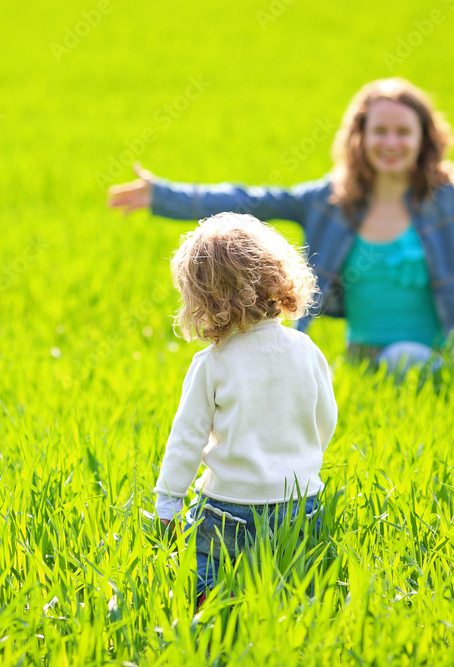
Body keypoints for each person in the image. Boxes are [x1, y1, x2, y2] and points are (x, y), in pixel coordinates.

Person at [108, 78, 454, 375]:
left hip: (436, 358)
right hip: (361, 357)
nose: (390, 142)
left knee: (408, 360)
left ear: (424, 139)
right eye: (379, 131)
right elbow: (246, 198)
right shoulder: (328, 202)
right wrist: (162, 196)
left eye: (403, 132)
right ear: (360, 138)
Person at [154, 212, 338, 605]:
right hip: (299, 503)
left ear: (202, 298)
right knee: (294, 585)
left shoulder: (213, 362)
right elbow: (325, 419)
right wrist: (301, 460)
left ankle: (210, 622)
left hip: (228, 507)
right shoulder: (306, 350)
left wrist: (168, 500)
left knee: (204, 581)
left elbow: (187, 438)